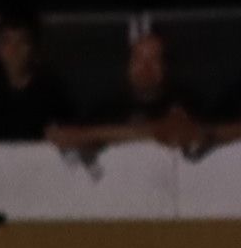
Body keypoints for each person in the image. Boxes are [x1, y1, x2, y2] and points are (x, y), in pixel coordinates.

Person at [51, 29, 208, 157]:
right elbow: (79, 140)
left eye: (154, 60)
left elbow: (179, 133)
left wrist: (97, 134)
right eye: (138, 60)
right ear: (128, 65)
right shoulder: (106, 107)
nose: (146, 68)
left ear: (166, 66)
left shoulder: (185, 101)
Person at [0, 10, 73, 142]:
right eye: (6, 42)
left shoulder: (52, 92)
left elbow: (70, 132)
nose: (14, 50)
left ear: (34, 48)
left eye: (22, 41)